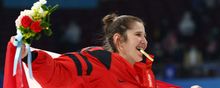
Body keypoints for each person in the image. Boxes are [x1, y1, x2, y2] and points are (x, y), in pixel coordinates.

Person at [4, 13, 180, 88]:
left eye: (145, 35)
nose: (145, 41)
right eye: (138, 35)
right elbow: (59, 74)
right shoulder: (96, 64)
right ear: (119, 40)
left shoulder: (143, 76)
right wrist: (32, 58)